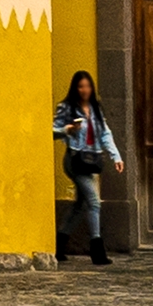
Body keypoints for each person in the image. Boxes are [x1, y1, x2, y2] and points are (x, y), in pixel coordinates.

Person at [52, 71, 119, 263]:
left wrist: (116, 157)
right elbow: (52, 130)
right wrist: (68, 129)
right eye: (81, 86)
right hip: (75, 160)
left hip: (92, 160)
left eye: (88, 86)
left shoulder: (96, 108)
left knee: (80, 206)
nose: (85, 90)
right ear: (75, 88)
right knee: (94, 202)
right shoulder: (66, 108)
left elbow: (105, 134)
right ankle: (97, 250)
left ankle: (59, 244)